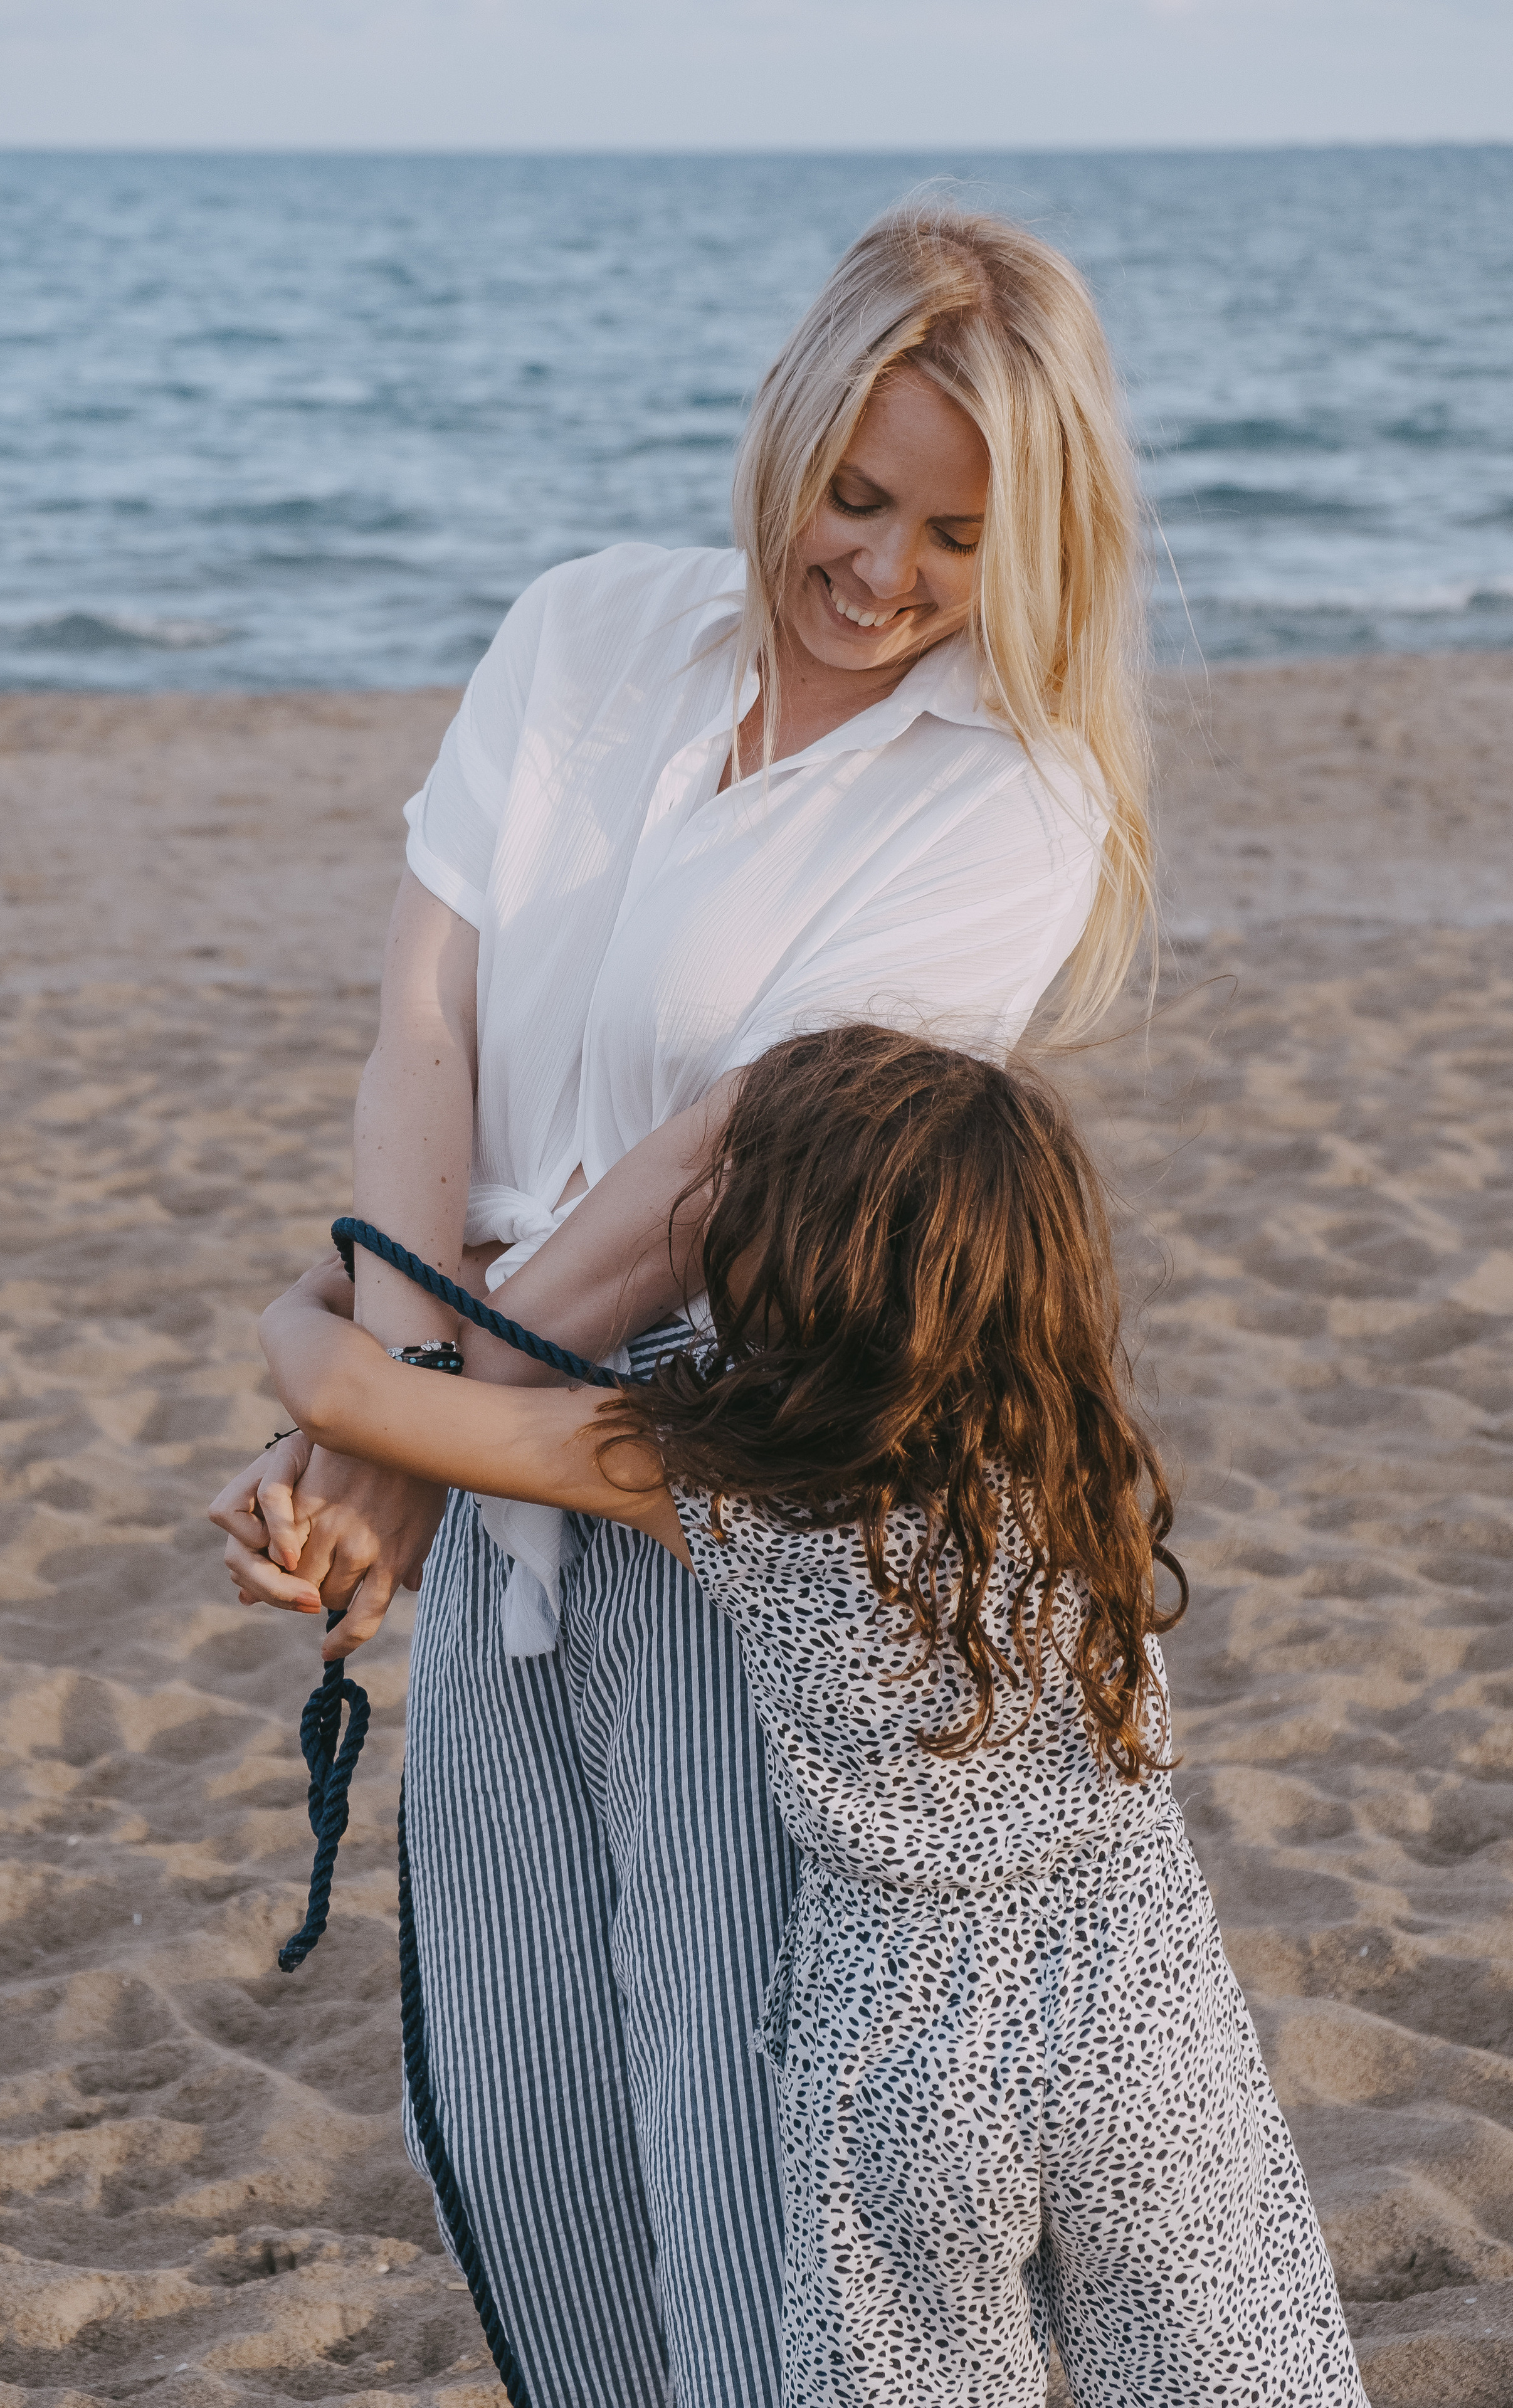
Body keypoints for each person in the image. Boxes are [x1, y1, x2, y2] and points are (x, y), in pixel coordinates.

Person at [211, 199, 1157, 2406]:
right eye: (855, 491)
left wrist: (373, 1418)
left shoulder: (1016, 798)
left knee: (741, 2177)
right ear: (791, 425)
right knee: (525, 2149)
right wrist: (393, 1393)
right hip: (476, 1376)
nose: (881, 570)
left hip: (724, 1471)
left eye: (951, 531)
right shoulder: (584, 629)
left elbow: (701, 1185)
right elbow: (421, 1031)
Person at [253, 1025, 1369, 2408]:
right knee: (1233, 2374)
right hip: (1138, 2012)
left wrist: (326, 1288)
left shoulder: (724, 1472)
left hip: (897, 2050)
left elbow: (342, 1392)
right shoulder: (1069, 1447)